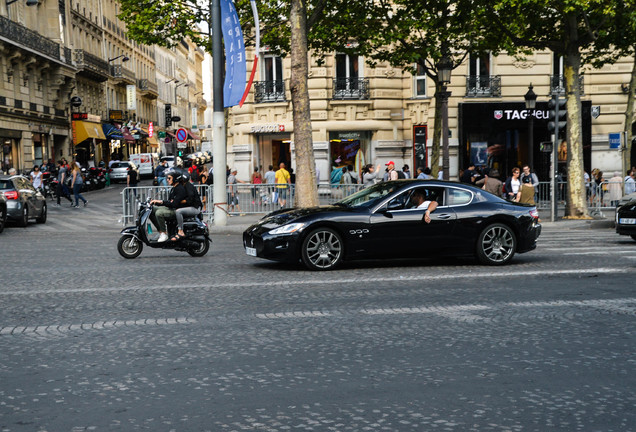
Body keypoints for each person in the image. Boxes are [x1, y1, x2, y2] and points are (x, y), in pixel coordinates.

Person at [149, 172, 187, 242]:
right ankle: (160, 232)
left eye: (169, 178)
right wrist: (156, 203)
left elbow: (174, 204)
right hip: (170, 208)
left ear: (175, 179)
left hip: (176, 210)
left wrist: (161, 202)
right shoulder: (173, 188)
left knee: (159, 213)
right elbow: (169, 202)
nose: (167, 180)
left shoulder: (180, 189)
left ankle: (164, 233)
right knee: (151, 210)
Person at [172, 175, 203, 241]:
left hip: (195, 208)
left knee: (178, 211)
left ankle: (180, 231)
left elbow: (190, 199)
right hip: (192, 207)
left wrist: (179, 201)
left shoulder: (188, 187)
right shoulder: (184, 186)